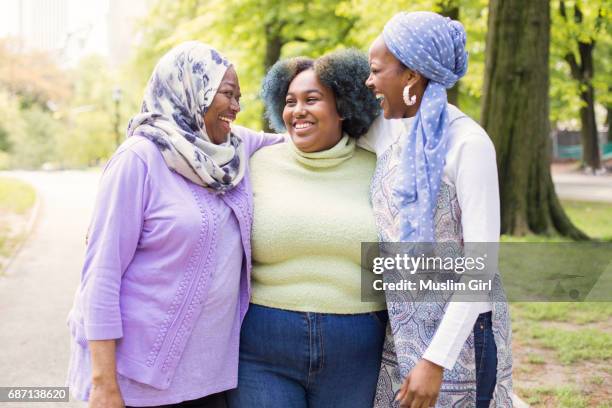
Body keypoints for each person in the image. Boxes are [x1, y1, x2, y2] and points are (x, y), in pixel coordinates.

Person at [66, 41, 282, 408]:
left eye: (239, 97)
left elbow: (301, 139)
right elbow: (101, 275)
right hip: (132, 379)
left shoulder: (233, 149)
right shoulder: (139, 159)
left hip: (208, 382)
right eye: (227, 94)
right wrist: (103, 385)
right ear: (191, 91)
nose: (236, 107)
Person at [361, 11, 513, 408]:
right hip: (402, 336)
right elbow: (314, 128)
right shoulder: (385, 131)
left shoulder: (469, 144)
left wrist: (436, 360)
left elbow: (482, 264)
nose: (369, 82)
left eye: (377, 71)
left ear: (410, 75)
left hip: (461, 339)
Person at [226, 49, 387, 407]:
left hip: (356, 348)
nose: (297, 110)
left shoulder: (378, 169)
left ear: (343, 106)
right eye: (289, 101)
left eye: (311, 100)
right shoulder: (256, 163)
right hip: (263, 347)